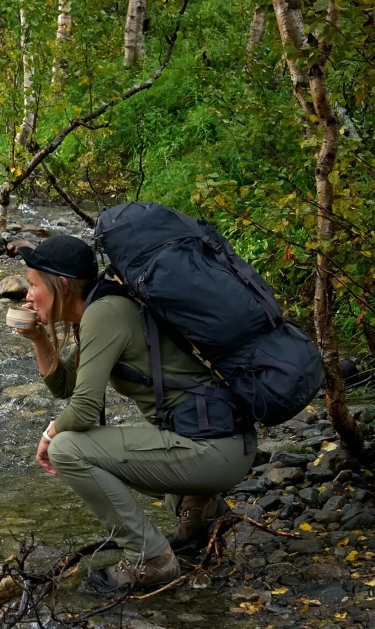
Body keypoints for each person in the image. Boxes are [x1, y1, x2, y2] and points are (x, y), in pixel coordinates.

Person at [14, 235, 256, 592]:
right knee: (89, 439)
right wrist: (39, 338)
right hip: (225, 442)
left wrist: (49, 436)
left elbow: (81, 410)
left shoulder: (105, 313)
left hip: (215, 450)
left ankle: (151, 558)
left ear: (62, 284)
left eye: (33, 284)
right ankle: (199, 510)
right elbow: (66, 385)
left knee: (67, 448)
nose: (28, 296)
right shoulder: (104, 307)